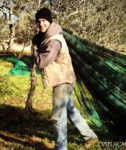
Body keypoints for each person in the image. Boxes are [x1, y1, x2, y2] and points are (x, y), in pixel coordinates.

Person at [32, 7, 98, 150]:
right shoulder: (49, 36)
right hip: (66, 77)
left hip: (62, 80)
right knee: (70, 109)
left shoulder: (53, 41)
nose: (41, 24)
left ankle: (61, 147)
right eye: (38, 21)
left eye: (44, 21)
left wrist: (35, 48)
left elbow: (42, 62)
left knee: (58, 116)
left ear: (49, 21)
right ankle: (90, 136)